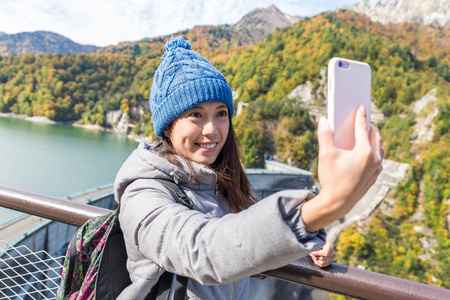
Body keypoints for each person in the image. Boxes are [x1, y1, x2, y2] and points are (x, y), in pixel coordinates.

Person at [114, 36, 383, 299]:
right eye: (196, 114)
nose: (211, 129)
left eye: (221, 113)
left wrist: (299, 248)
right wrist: (323, 207)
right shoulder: (143, 194)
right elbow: (202, 252)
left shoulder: (220, 184)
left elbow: (241, 254)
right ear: (168, 125)